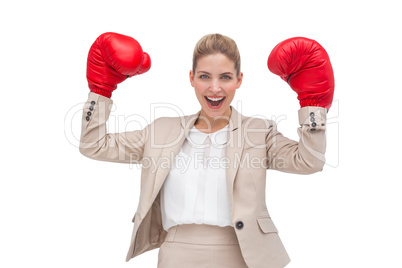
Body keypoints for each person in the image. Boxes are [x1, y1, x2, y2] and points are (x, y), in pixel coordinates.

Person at [80, 32, 334, 268]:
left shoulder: (258, 132)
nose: (215, 88)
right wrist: (100, 90)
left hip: (241, 253)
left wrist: (313, 105)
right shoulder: (160, 131)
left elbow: (309, 161)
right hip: (175, 254)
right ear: (191, 79)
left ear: (239, 80)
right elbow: (94, 145)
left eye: (225, 77)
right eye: (204, 76)